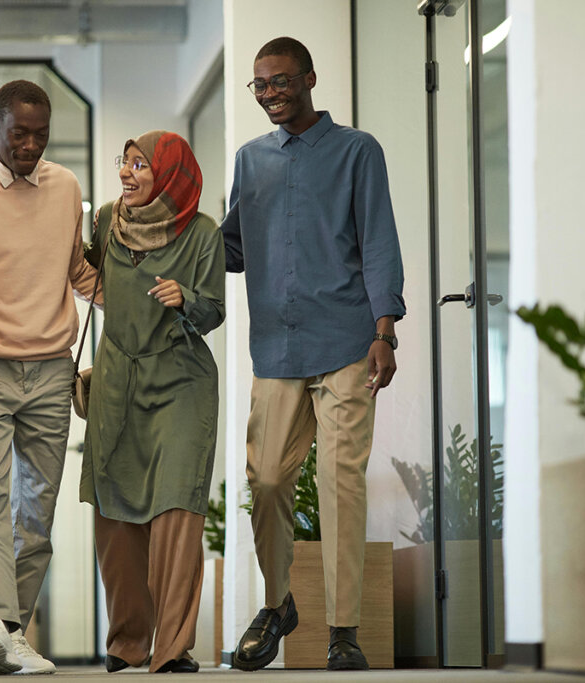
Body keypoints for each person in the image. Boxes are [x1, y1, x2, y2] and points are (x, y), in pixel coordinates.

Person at [222, 37, 405, 672]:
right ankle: (278, 604)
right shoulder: (251, 161)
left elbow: (379, 240)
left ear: (308, 79)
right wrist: (163, 234)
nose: (269, 93)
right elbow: (230, 248)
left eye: (279, 81)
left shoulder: (358, 151)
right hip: (276, 344)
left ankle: (343, 631)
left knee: (339, 484)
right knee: (267, 479)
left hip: (349, 341)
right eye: (260, 85)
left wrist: (385, 330)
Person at [0, 80, 99, 676]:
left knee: (37, 510)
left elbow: (77, 271)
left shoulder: (65, 187)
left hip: (49, 371)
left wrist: (150, 307)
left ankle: (7, 633)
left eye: (41, 134)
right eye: (19, 134)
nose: (31, 145)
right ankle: (2, 624)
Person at [79, 131, 225, 675]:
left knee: (176, 508)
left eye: (141, 165)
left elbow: (214, 311)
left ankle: (171, 649)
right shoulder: (107, 223)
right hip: (118, 379)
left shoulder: (202, 231)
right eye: (127, 162)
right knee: (114, 510)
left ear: (170, 174)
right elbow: (84, 275)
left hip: (180, 380)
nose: (127, 173)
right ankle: (128, 643)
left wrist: (186, 298)